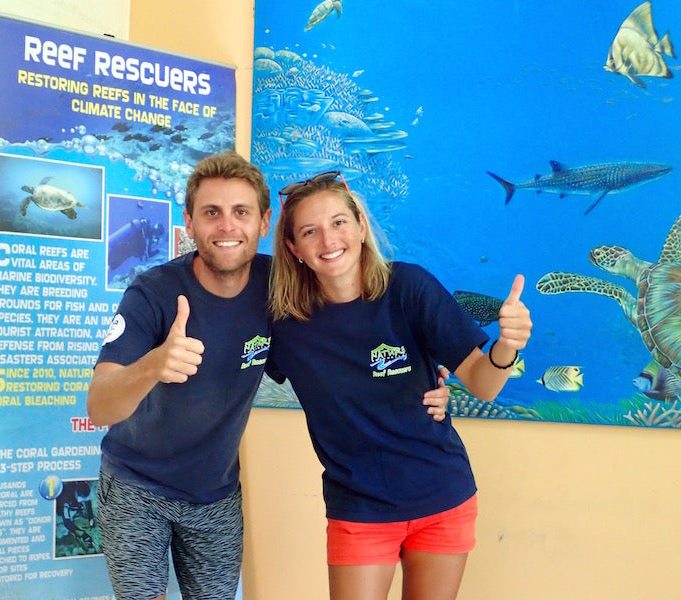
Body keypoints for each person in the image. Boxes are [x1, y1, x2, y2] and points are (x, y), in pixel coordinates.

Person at [86, 152, 452, 600]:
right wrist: (152, 365)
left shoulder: (281, 289)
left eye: (240, 212)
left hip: (215, 495)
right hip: (136, 486)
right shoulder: (152, 292)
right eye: (211, 213)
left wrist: (423, 381)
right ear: (189, 222)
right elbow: (100, 404)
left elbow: (349, 341)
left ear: (263, 222)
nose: (226, 226)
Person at [266, 171, 532, 600]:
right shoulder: (284, 320)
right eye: (310, 231)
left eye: (338, 223)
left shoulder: (409, 288)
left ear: (360, 226)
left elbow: (484, 385)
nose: (328, 240)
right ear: (294, 248)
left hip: (441, 497)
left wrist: (507, 347)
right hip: (359, 507)